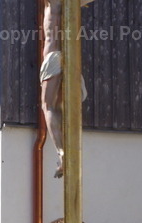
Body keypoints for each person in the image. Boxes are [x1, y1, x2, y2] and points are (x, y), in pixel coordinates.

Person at [41, 0, 95, 178]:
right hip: (72, 58)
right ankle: (70, 150)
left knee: (48, 105)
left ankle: (62, 153)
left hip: (54, 55)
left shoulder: (52, 3)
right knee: (67, 105)